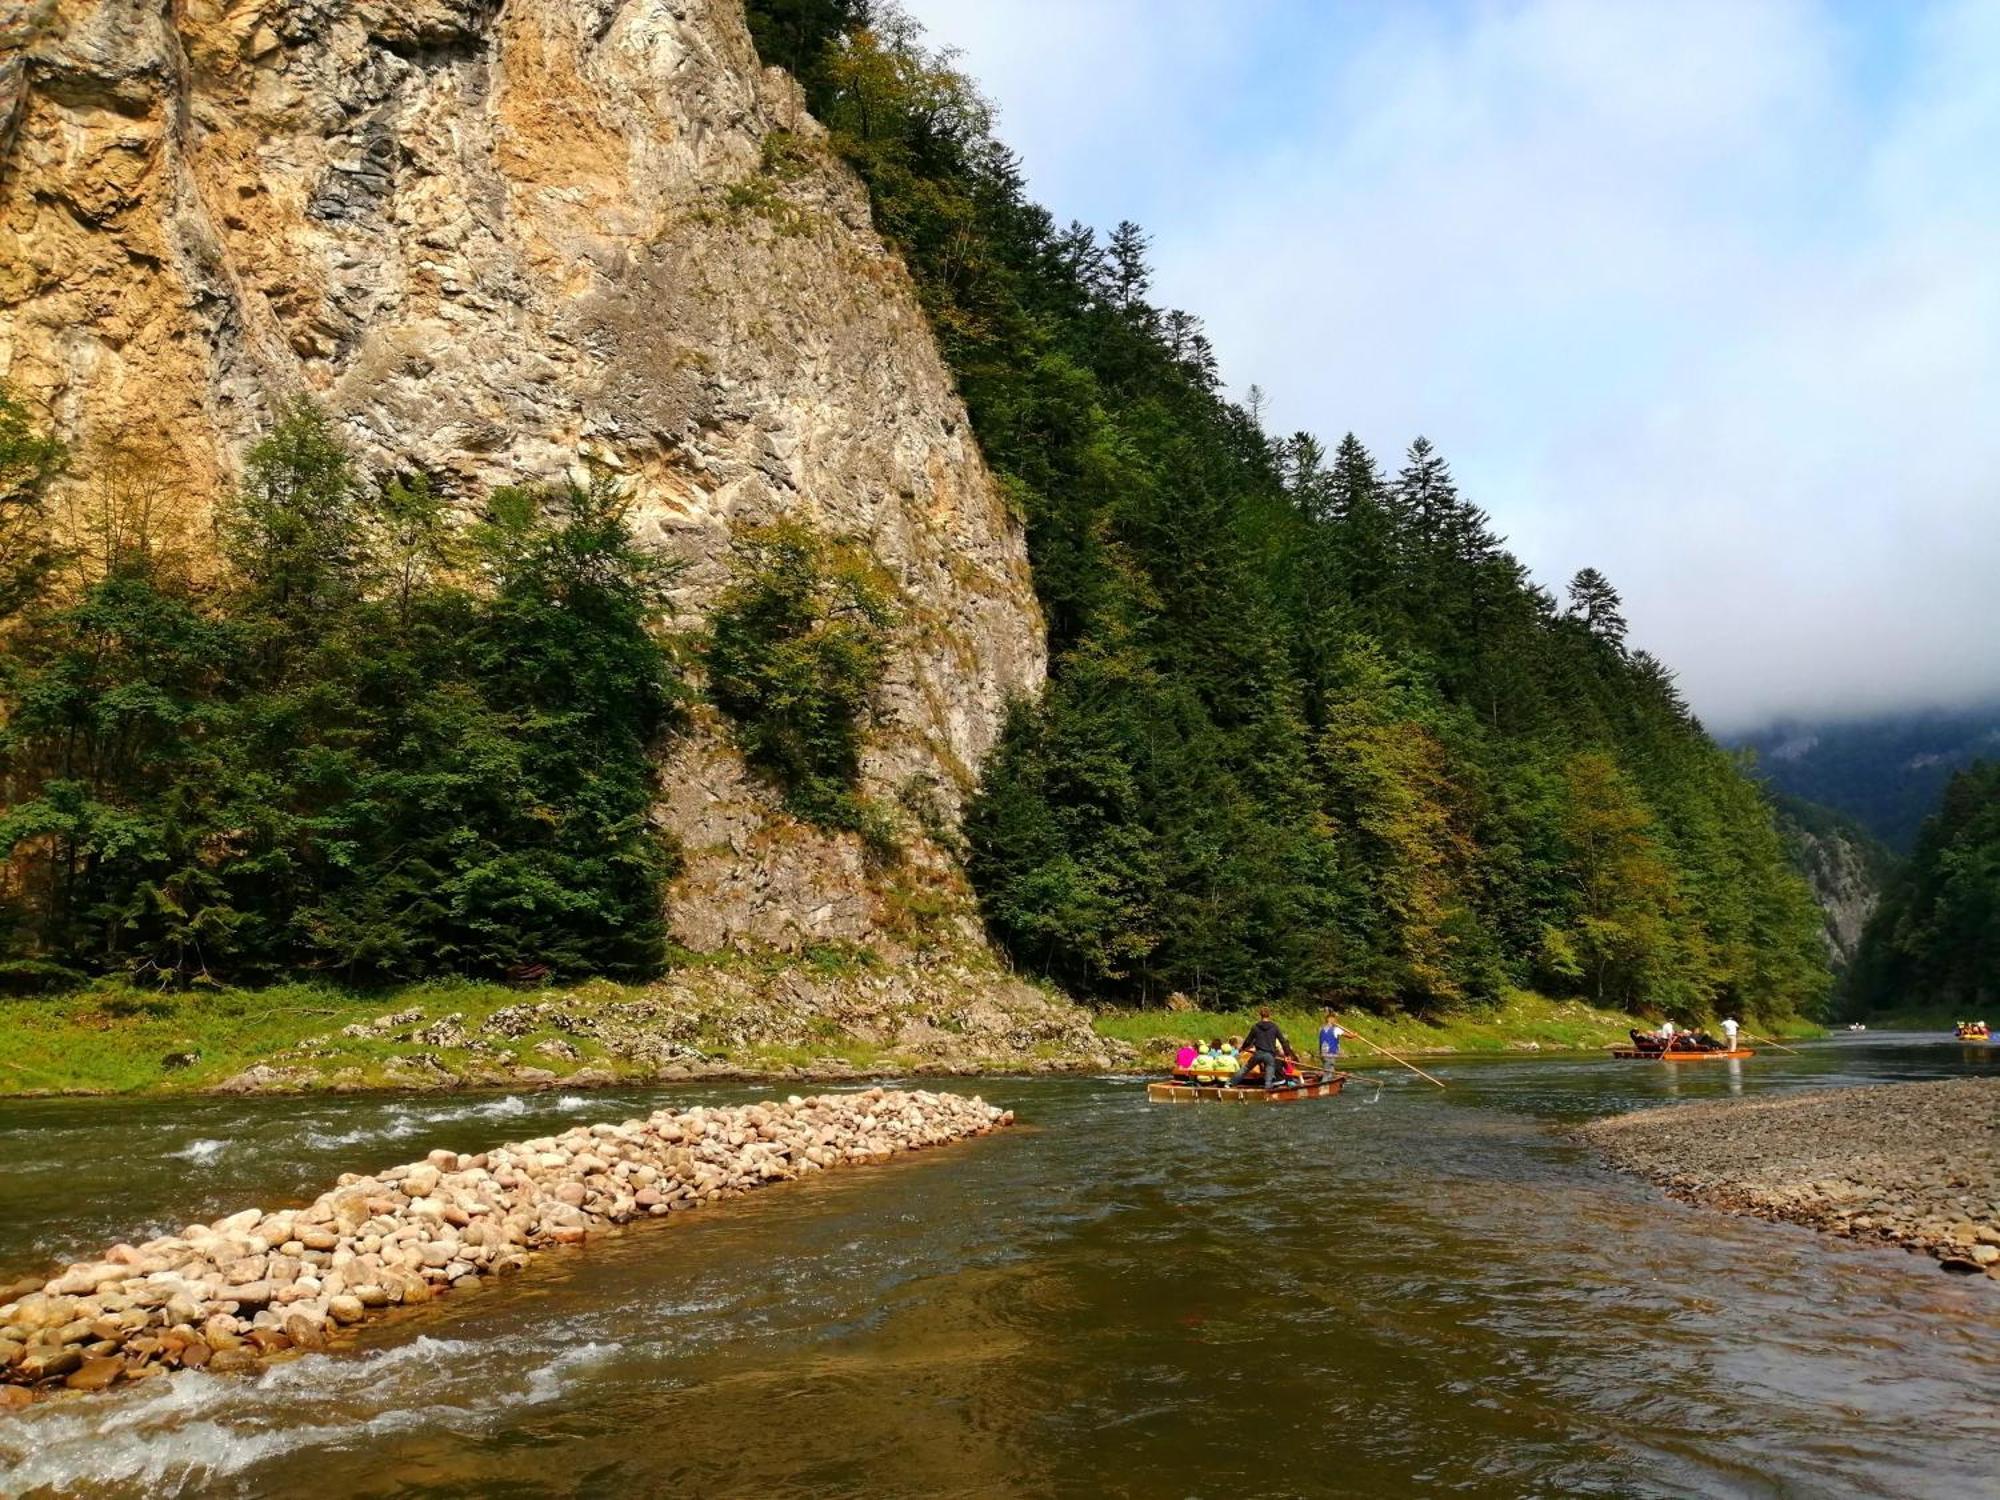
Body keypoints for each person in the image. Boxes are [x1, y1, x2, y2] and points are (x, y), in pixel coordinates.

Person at [1231, 1008, 1297, 1090]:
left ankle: (1230, 1083)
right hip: (1269, 1055)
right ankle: (1267, 1089)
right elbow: (1283, 1041)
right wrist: (1287, 1054)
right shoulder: (1274, 1027)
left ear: (1260, 1015)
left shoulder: (1255, 1027)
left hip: (1258, 1053)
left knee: (1245, 1069)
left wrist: (1242, 1049)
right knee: (1269, 1072)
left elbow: (1248, 1040)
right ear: (1269, 1015)